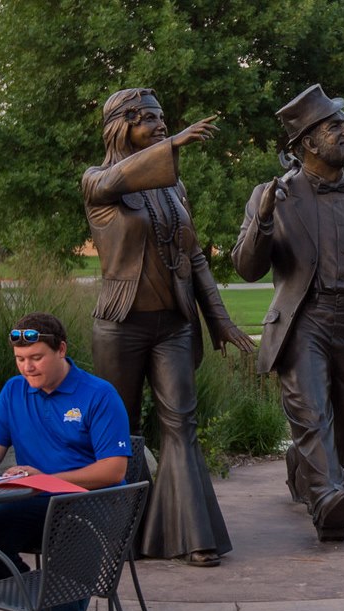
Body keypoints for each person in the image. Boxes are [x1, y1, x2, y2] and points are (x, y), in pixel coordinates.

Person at [232, 84, 344, 542]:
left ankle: (303, 465)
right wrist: (264, 220)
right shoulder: (273, 196)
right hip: (303, 323)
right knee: (313, 416)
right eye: (336, 126)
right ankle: (329, 501)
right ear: (308, 143)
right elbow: (247, 268)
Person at [82, 87, 253, 567]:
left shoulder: (174, 188)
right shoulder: (96, 180)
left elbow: (194, 255)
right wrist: (172, 146)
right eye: (150, 120)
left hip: (173, 324)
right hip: (121, 325)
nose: (161, 126)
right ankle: (123, 535)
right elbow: (115, 180)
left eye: (163, 119)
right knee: (121, 430)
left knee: (182, 424)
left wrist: (216, 317)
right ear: (122, 125)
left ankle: (194, 535)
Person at [0, 313, 131, 611]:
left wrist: (48, 477)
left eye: (36, 358)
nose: (27, 367)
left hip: (90, 503)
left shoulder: (98, 394)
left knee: (74, 539)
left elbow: (113, 471)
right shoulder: (13, 391)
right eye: (20, 359)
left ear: (61, 350)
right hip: (35, 501)